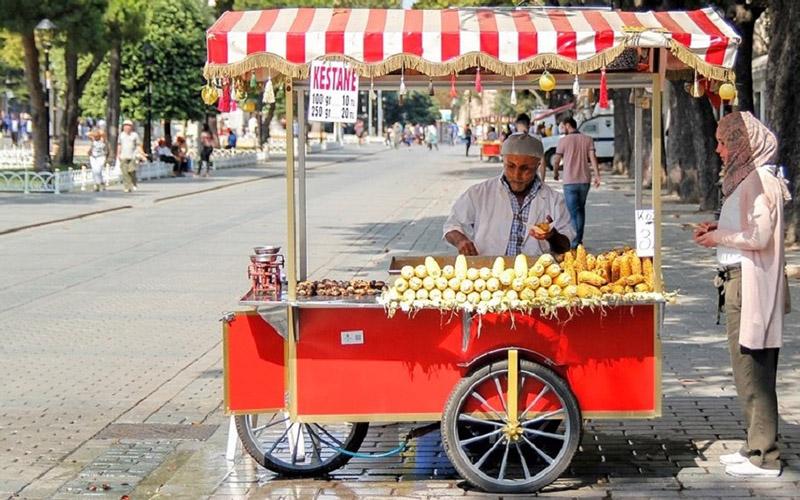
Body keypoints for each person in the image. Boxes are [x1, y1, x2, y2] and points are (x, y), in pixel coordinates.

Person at [693, 111, 790, 479]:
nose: (718, 149)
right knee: (744, 366)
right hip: (739, 279)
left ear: (743, 144)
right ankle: (753, 445)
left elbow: (759, 238)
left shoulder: (760, 179)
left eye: (724, 141)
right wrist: (721, 227)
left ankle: (765, 455)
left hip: (750, 283)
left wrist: (719, 237)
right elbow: (749, 227)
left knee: (755, 368)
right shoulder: (747, 178)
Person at [444, 133, 574, 256]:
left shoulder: (555, 200)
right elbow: (452, 225)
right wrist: (460, 240)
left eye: (525, 168)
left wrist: (552, 236)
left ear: (538, 165)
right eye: (510, 166)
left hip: (535, 275)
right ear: (503, 162)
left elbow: (565, 246)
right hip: (489, 274)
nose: (516, 175)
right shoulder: (478, 193)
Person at [551, 117, 600, 249]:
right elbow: (593, 158)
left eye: (562, 126)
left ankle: (575, 242)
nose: (562, 128)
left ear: (567, 125)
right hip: (585, 180)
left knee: (572, 212)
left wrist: (555, 173)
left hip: (569, 181)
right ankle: (579, 240)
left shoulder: (563, 141)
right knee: (580, 210)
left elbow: (556, 160)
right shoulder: (588, 139)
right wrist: (597, 175)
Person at [117, 119, 143, 193]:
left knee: (131, 170)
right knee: (125, 172)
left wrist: (141, 153)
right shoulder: (121, 135)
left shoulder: (134, 135)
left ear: (131, 127)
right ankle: (127, 186)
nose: (127, 127)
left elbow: (138, 145)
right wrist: (118, 154)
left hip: (132, 156)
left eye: (128, 126)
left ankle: (134, 182)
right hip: (123, 156)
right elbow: (119, 145)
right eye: (125, 126)